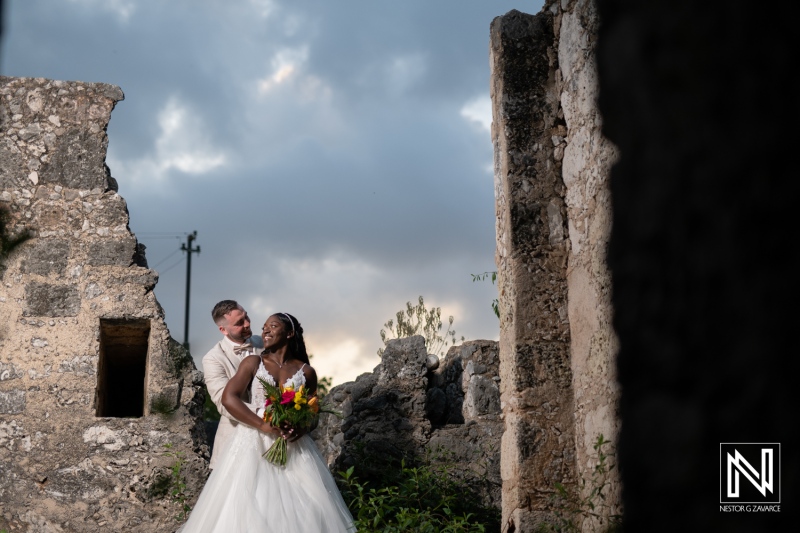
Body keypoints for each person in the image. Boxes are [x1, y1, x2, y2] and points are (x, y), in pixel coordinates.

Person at [181, 313, 355, 532]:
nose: (265, 331)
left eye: (273, 326)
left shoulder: (307, 372)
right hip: (253, 443)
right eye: (264, 327)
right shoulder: (253, 362)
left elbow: (313, 414)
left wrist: (300, 428)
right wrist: (262, 424)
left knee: (303, 509)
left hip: (294, 449)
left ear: (290, 333)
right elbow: (228, 398)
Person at [202, 300, 263, 469]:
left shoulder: (267, 344)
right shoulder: (213, 358)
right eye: (239, 323)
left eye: (246, 317)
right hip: (235, 440)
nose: (248, 323)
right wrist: (264, 415)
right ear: (223, 330)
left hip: (275, 437)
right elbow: (223, 403)